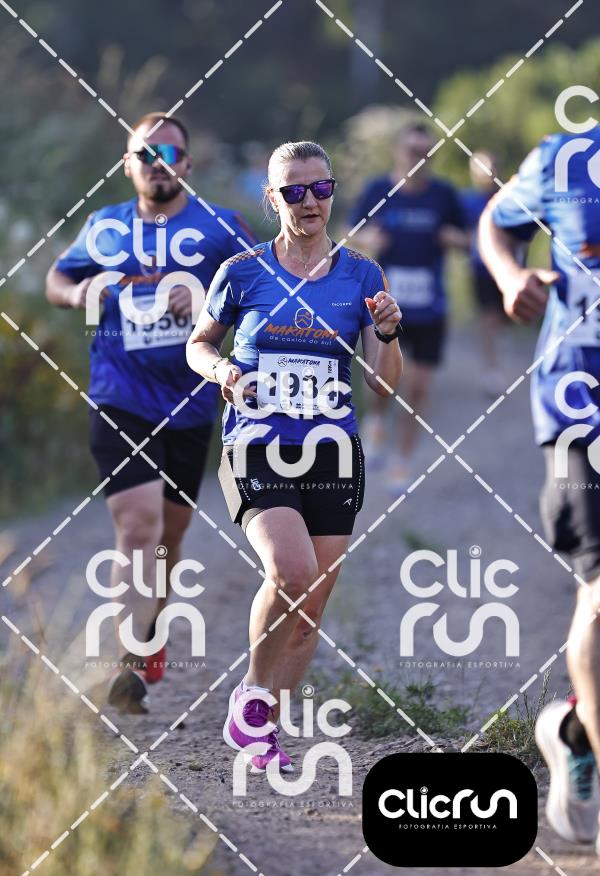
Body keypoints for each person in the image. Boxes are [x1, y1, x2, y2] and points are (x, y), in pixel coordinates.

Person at [187, 140, 402, 771]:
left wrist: (388, 333)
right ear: (273, 198)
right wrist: (224, 372)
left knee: (309, 611)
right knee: (291, 571)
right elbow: (199, 345)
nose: (310, 201)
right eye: (294, 191)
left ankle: (264, 731)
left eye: (321, 188)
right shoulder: (243, 271)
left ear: (332, 191)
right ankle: (252, 698)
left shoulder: (362, 275)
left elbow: (383, 385)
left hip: (331, 451)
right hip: (256, 444)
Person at [46, 112, 255, 714]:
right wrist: (78, 293)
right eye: (146, 153)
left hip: (191, 402)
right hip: (120, 394)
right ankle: (126, 663)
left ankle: (149, 634)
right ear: (128, 164)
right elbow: (58, 277)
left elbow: (266, 288)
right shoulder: (105, 226)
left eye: (169, 153)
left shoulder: (219, 227)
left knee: (169, 536)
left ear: (186, 163)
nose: (158, 163)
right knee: (138, 526)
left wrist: (208, 297)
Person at [479, 125, 600, 848]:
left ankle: (575, 731)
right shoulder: (563, 160)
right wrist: (508, 276)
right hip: (577, 405)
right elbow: (497, 221)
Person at [350, 121, 468, 487]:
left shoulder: (444, 195)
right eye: (412, 151)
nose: (418, 158)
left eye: (424, 153)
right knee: (383, 382)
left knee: (418, 387)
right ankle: (376, 421)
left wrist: (453, 238)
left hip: (430, 307)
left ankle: (401, 460)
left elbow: (470, 238)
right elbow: (350, 231)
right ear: (397, 151)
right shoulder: (378, 190)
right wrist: (369, 239)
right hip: (385, 306)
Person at [461, 150, 508, 396]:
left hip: (509, 268)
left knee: (501, 319)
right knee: (488, 317)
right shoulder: (467, 201)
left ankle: (496, 362)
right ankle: (491, 367)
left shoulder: (508, 198)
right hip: (482, 268)